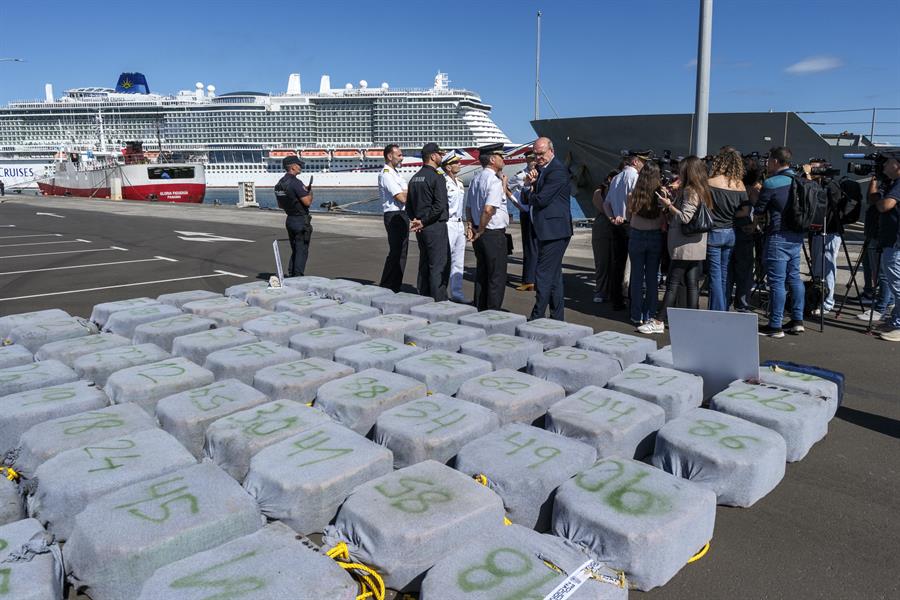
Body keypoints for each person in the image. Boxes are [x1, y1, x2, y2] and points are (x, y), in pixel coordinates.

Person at [638, 156, 710, 334]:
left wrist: (669, 205)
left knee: (672, 283)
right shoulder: (703, 190)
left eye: (682, 169)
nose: (678, 172)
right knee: (692, 283)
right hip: (697, 244)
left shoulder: (690, 191)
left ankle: (658, 320)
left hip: (684, 245)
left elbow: (685, 217)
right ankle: (692, 320)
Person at [753, 146, 807, 337]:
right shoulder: (801, 181)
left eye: (768, 160)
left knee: (776, 282)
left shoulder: (772, 183)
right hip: (797, 236)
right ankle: (797, 320)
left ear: (775, 161)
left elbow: (759, 210)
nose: (767, 163)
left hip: (778, 236)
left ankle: (775, 325)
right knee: (794, 277)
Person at [523, 137, 573, 320]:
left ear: (551, 151)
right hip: (548, 230)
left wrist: (530, 189)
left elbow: (541, 200)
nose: (538, 158)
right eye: (535, 154)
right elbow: (526, 198)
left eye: (541, 154)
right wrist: (530, 185)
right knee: (553, 276)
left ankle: (537, 316)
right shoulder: (541, 170)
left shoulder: (557, 170)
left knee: (543, 274)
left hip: (555, 231)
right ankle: (557, 317)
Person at [466, 143, 510, 311]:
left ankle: (480, 308)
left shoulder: (476, 179)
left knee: (482, 274)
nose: (503, 159)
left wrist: (471, 226)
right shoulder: (494, 181)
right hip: (491, 232)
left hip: (479, 231)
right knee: (496, 276)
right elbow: (489, 209)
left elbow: (469, 207)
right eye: (501, 156)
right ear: (493, 159)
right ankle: (492, 313)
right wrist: (482, 229)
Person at [604, 151, 649, 310]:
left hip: (616, 224)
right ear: (636, 161)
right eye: (643, 161)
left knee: (618, 263)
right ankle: (633, 299)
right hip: (631, 224)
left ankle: (616, 299)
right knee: (636, 265)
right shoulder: (635, 178)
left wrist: (612, 218)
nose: (644, 165)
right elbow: (634, 202)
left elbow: (606, 204)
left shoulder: (616, 178)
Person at [706, 148, 748, 311]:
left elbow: (706, 208)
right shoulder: (739, 184)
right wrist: (731, 214)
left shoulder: (710, 182)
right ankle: (722, 309)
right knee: (724, 275)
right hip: (731, 232)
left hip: (714, 232)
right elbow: (745, 211)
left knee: (714, 276)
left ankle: (717, 310)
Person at [407, 142, 450, 301]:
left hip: (421, 229)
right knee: (438, 265)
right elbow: (439, 206)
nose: (441, 157)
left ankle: (423, 296)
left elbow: (409, 206)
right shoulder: (437, 177)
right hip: (434, 226)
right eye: (439, 154)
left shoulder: (414, 178)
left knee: (424, 262)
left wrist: (416, 221)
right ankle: (439, 300)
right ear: (433, 156)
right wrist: (424, 222)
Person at [626, 162, 665, 326]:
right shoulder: (661, 193)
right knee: (652, 277)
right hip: (655, 235)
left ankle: (636, 314)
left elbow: (629, 216)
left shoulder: (634, 193)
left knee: (636, 276)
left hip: (636, 234)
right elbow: (664, 218)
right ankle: (649, 313)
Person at [870, 154, 900, 341]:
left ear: (898, 165)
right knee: (895, 282)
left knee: (897, 284)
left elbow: (885, 205)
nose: (885, 165)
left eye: (889, 162)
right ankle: (896, 320)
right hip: (892, 240)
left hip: (895, 241)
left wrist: (880, 201)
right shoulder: (893, 183)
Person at [274, 155, 313, 277]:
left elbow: (280, 205)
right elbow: (307, 202)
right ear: (293, 167)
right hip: (301, 220)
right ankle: (298, 276)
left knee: (295, 248)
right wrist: (309, 191)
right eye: (299, 165)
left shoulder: (279, 184)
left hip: (290, 219)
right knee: (302, 249)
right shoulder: (296, 183)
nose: (300, 167)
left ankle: (291, 273)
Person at [733, 156, 763, 312]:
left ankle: (726, 302)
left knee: (729, 269)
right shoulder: (753, 188)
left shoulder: (734, 184)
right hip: (744, 228)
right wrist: (754, 224)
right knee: (745, 270)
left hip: (733, 226)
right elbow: (759, 207)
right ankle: (742, 304)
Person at [378, 144, 409, 292]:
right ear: (390, 156)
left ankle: (395, 285)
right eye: (399, 155)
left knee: (402, 253)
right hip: (393, 215)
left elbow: (406, 193)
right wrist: (408, 195)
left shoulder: (396, 174)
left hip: (401, 214)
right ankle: (387, 285)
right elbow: (402, 197)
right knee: (396, 252)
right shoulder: (386, 174)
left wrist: (407, 194)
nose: (402, 157)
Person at [509, 149, 538, 291]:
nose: (533, 161)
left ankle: (538, 278)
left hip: (539, 212)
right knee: (529, 246)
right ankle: (528, 279)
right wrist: (517, 204)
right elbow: (507, 188)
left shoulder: (542, 172)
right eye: (531, 159)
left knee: (540, 246)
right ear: (526, 160)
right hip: (527, 212)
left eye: (535, 158)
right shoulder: (520, 175)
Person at [591, 168, 620, 303]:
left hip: (616, 230)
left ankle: (614, 291)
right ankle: (600, 290)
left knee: (616, 263)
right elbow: (603, 208)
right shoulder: (600, 192)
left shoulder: (617, 192)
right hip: (602, 231)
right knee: (602, 262)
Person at [442, 151, 467, 303]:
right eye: (456, 163)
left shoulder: (459, 182)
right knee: (445, 259)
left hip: (459, 223)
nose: (459, 164)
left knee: (459, 260)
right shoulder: (443, 182)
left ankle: (457, 293)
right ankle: (442, 291)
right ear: (448, 167)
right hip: (448, 223)